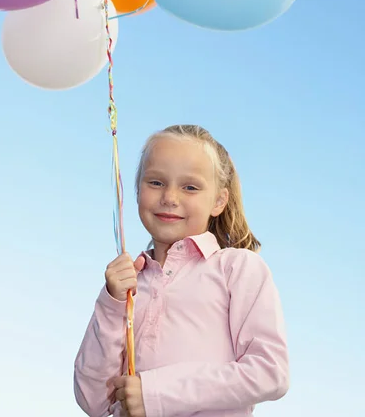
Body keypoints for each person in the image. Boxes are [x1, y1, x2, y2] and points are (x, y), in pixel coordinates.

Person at [74, 125, 289, 417]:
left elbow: (270, 371)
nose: (170, 197)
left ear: (219, 201)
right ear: (137, 190)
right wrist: (111, 303)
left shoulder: (237, 268)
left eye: (190, 187)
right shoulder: (127, 284)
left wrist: (154, 393)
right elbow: (93, 401)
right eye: (156, 182)